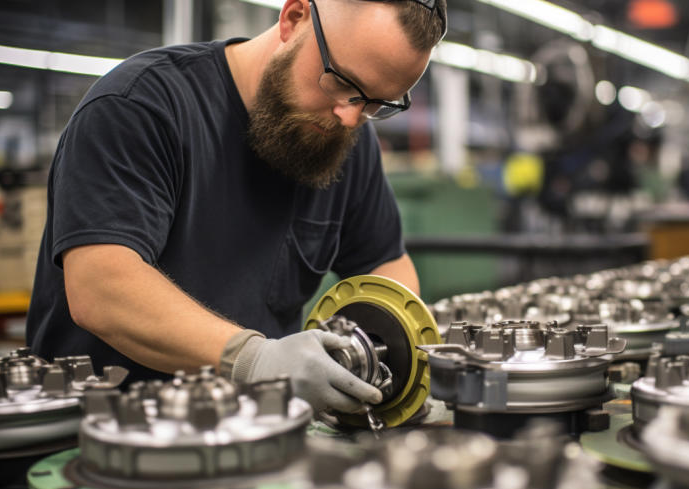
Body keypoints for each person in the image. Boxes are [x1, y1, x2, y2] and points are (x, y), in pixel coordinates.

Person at [25, 0, 447, 415]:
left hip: (256, 437)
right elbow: (101, 290)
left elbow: (386, 264)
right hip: (102, 438)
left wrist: (384, 358)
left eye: (376, 104)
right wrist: (255, 360)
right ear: (294, 18)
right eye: (341, 82)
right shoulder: (139, 106)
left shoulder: (344, 138)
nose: (350, 117)